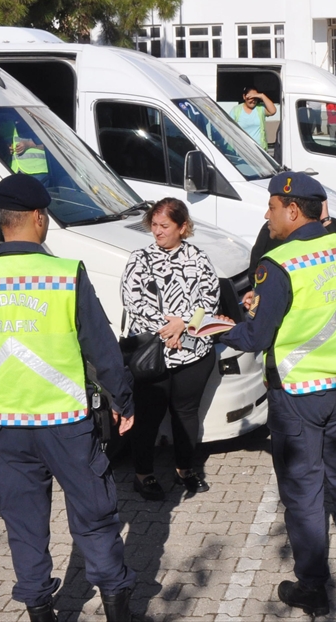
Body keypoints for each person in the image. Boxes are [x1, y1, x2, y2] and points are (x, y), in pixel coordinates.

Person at [0, 174, 137, 622]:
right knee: (93, 519)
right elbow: (102, 349)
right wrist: (122, 399)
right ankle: (117, 607)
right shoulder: (66, 274)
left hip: (6, 430)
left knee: (25, 529)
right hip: (66, 425)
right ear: (38, 216)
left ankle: (40, 611)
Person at [219, 172, 336, 617]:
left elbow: (256, 336)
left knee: (304, 491)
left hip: (298, 392)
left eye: (271, 207)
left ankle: (313, 585)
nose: (267, 215)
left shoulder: (279, 262)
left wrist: (218, 329)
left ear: (293, 210)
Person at [122, 198, 221, 500]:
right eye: (154, 225)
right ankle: (143, 475)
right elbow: (132, 299)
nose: (158, 231)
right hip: (153, 352)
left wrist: (185, 324)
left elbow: (210, 298)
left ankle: (184, 469)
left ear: (182, 227)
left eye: (165, 226)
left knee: (186, 413)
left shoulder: (199, 258)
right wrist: (168, 329)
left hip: (193, 351)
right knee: (149, 416)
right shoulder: (140, 258)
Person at [231, 86, 278, 150]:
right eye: (251, 98)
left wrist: (262, 96)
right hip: (241, 149)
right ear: (244, 97)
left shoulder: (260, 108)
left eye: (255, 98)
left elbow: (273, 111)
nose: (253, 101)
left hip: (259, 149)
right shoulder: (236, 110)